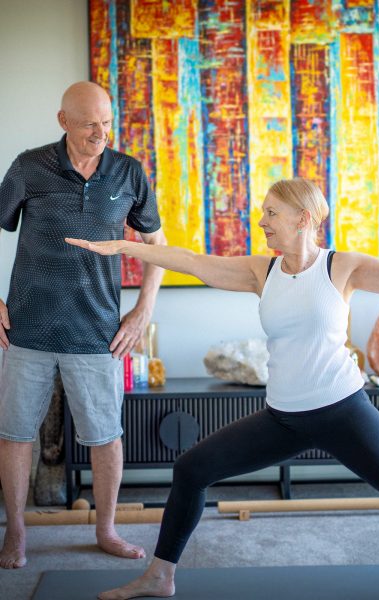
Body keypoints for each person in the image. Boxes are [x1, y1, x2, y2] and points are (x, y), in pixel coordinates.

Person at [66, 178, 379, 600]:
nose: (263, 222)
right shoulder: (262, 271)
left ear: (304, 218)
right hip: (283, 417)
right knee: (191, 469)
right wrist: (127, 248)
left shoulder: (342, 268)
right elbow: (191, 260)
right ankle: (161, 575)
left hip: (343, 411)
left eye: (271, 213)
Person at [0, 81, 167, 569]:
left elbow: (155, 244)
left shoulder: (128, 172)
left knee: (105, 436)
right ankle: (16, 532)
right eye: (91, 122)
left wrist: (143, 309)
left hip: (97, 332)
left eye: (107, 121)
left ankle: (106, 529)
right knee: (15, 434)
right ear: (64, 121)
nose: (102, 132)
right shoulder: (30, 167)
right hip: (27, 329)